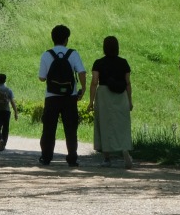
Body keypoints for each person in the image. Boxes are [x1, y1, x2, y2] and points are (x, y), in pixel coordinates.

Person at [38, 24, 87, 167]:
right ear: (66, 39)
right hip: (70, 96)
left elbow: (41, 78)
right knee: (71, 128)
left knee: (49, 128)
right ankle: (72, 157)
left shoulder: (47, 55)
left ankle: (46, 157)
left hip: (51, 97)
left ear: (52, 38)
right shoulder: (73, 54)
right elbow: (82, 72)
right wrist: (83, 88)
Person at [90, 35, 134, 169]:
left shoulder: (98, 62)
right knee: (122, 124)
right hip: (121, 96)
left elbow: (94, 82)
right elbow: (128, 83)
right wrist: (130, 101)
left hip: (104, 95)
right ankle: (125, 150)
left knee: (105, 125)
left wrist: (91, 101)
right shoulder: (124, 62)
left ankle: (106, 158)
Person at [0, 73, 19, 151]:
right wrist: (16, 112)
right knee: (6, 128)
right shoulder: (8, 90)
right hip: (6, 111)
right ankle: (3, 143)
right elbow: (12, 102)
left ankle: (0, 140)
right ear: (5, 80)